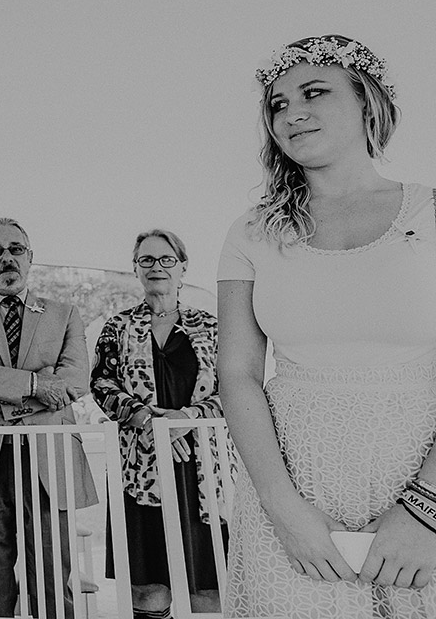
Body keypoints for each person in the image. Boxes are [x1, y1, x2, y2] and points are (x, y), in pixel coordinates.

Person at [217, 35, 436, 618]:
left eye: (314, 92)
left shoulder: (432, 213)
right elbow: (237, 374)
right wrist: (283, 510)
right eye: (278, 105)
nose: (292, 113)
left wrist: (427, 507)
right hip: (291, 494)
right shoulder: (251, 232)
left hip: (424, 488)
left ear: (368, 101)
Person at [0, 217, 97, 618]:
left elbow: (75, 379)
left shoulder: (64, 313)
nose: (6, 258)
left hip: (48, 456)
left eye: (15, 250)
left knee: (52, 580)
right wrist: (35, 384)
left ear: (30, 258)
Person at [90, 229, 227, 619]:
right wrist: (153, 424)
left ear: (183, 268)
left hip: (201, 466)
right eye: (146, 260)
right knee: (148, 589)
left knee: (209, 587)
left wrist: (186, 420)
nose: (157, 267)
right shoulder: (118, 326)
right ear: (135, 269)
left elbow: (233, 388)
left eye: (166, 259)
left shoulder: (211, 326)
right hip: (139, 464)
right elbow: (101, 383)